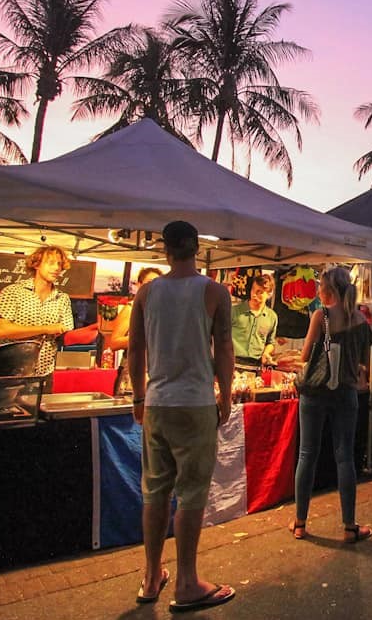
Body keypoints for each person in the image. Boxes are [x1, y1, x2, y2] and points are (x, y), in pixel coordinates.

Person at [127, 221, 236, 610]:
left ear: (166, 250)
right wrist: (224, 393)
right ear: (197, 249)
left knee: (155, 491)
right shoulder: (213, 291)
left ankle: (151, 575)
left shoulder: (147, 293)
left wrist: (139, 396)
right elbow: (224, 346)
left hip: (157, 403)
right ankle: (187, 582)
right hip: (195, 403)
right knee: (191, 493)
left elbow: (135, 350)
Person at [291, 266, 372, 543]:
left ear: (327, 290)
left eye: (320, 287)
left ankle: (300, 523)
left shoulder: (321, 315)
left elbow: (305, 356)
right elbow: (366, 363)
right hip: (346, 394)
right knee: (345, 457)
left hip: (314, 393)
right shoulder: (361, 320)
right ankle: (349, 526)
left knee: (307, 454)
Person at [0, 246, 75, 377]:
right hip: (10, 372)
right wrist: (45, 329)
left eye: (59, 264)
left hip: (44, 374)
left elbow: (65, 334)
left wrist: (96, 329)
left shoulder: (63, 298)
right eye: (51, 263)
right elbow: (0, 330)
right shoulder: (13, 292)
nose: (57, 268)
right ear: (36, 264)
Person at [108, 267, 162, 353]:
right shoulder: (131, 309)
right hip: (132, 364)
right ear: (139, 285)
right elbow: (114, 343)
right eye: (149, 282)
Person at [231, 274, 278, 370]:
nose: (254, 294)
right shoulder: (234, 311)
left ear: (269, 294)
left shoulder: (272, 317)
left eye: (260, 292)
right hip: (232, 364)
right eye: (253, 289)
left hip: (256, 367)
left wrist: (266, 353)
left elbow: (271, 342)